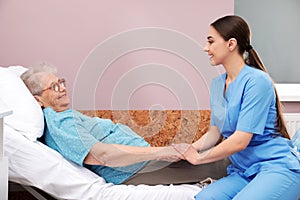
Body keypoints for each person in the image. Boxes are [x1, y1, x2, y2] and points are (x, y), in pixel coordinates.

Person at [21, 63, 228, 185]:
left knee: (217, 154)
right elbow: (104, 156)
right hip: (133, 172)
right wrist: (162, 151)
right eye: (54, 87)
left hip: (141, 163)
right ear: (38, 99)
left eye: (61, 82)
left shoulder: (68, 115)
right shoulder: (61, 123)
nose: (62, 88)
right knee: (224, 164)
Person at [173, 15, 300, 200]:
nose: (205, 48)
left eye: (211, 41)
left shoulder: (257, 81)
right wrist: (187, 149)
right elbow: (215, 132)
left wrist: (200, 158)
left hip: (276, 168)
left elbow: (241, 140)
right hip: (244, 171)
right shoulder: (217, 85)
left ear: (231, 44)